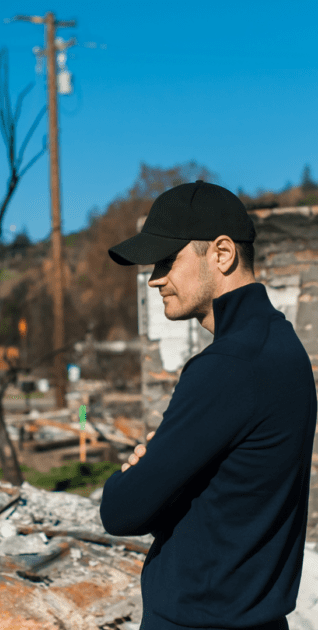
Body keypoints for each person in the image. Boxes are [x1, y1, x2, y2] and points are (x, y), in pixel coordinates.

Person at [100, 180, 317, 630]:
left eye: (166, 260)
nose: (154, 278)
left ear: (221, 254)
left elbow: (122, 512)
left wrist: (132, 475)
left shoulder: (227, 366)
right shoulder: (283, 347)